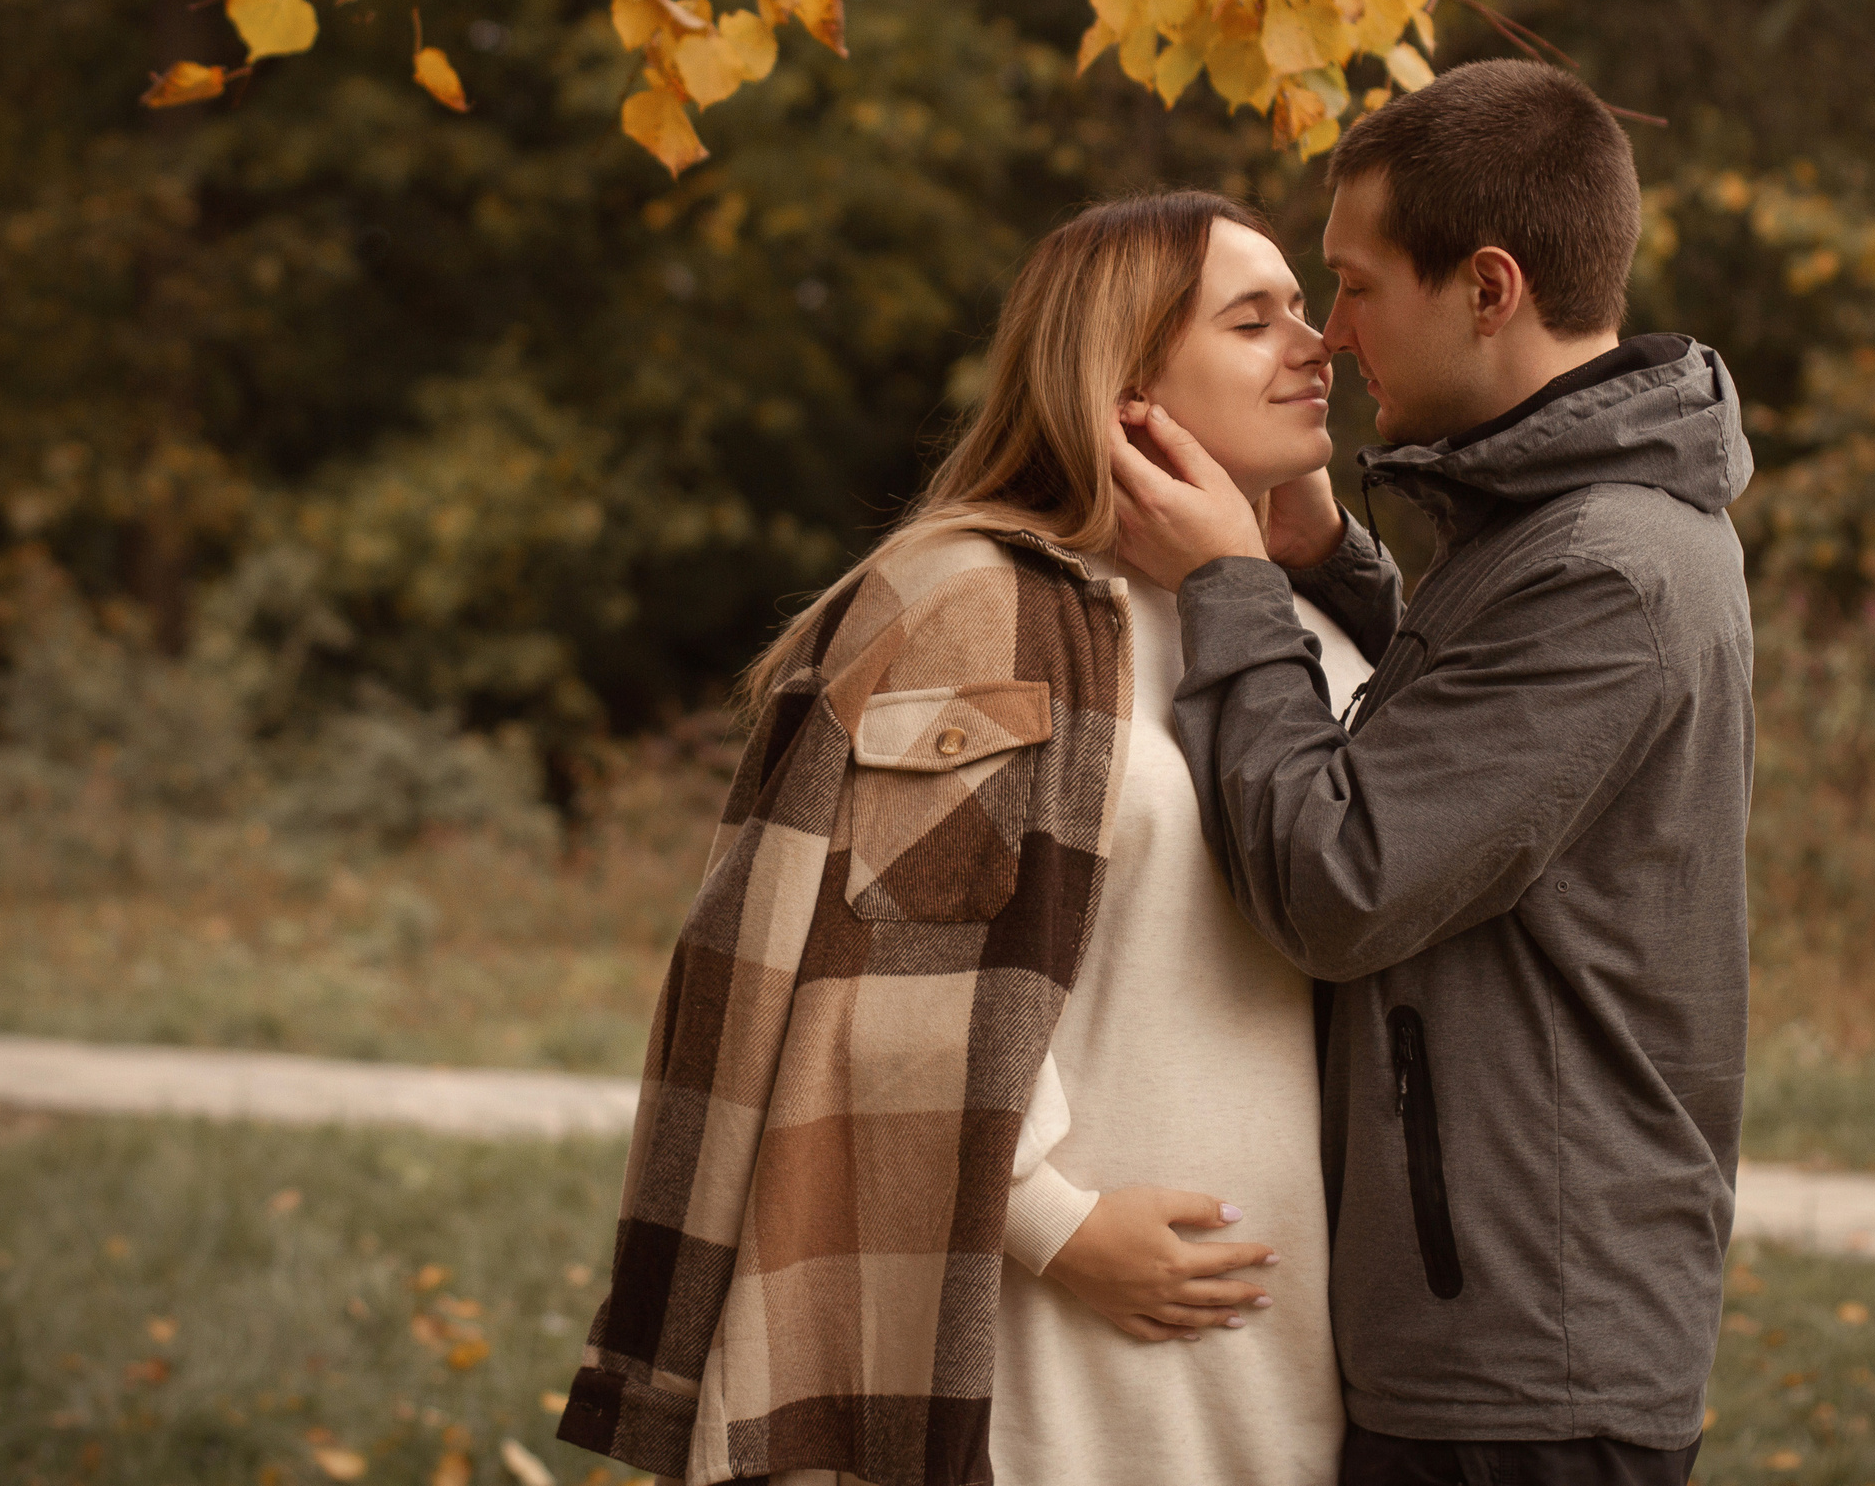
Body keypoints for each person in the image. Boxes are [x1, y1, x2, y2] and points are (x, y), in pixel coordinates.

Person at [559, 192, 1370, 1486]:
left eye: (1307, 308)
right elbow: (877, 978)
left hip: (1302, 1339)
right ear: (1124, 370)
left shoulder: (1305, 633)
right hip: (1064, 1328)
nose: (1315, 342)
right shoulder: (978, 598)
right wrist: (1055, 1225)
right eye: (1254, 316)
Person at [1112, 61, 1755, 1486]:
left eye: (1353, 285)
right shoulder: (1565, 524)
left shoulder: (1602, 567)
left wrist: (1226, 583)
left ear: (1489, 286)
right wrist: (1327, 566)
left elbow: (1343, 879)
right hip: (1498, 1327)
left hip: (1527, 1362)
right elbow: (1475, 750)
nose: (1331, 336)